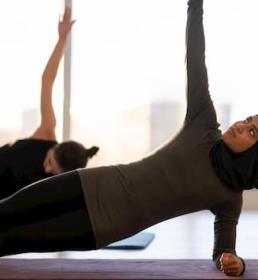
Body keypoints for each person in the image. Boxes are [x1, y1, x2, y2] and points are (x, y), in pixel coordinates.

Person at [0, 0, 251, 276]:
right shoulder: (203, 125)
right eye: (248, 119)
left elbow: (224, 253)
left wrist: (234, 264)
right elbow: (195, 57)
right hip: (89, 182)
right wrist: (195, 5)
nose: (241, 125)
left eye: (252, 132)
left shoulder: (229, 197)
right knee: (6, 210)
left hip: (100, 227)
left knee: (8, 240)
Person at [0, 7, 99, 199]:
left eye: (53, 169)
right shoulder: (47, 130)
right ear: (55, 146)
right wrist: (62, 39)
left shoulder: (54, 184)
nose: (47, 168)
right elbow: (47, 80)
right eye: (50, 160)